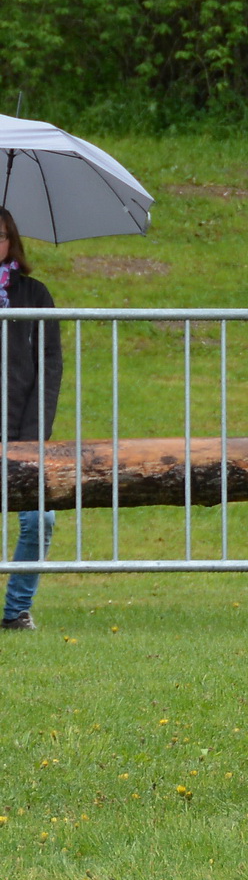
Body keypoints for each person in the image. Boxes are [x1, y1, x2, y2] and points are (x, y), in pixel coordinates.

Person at [0, 208, 61, 631]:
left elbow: (49, 367)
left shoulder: (36, 295)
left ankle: (15, 610)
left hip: (22, 431)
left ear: (13, 242)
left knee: (40, 519)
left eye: (1, 236)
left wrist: (32, 435)